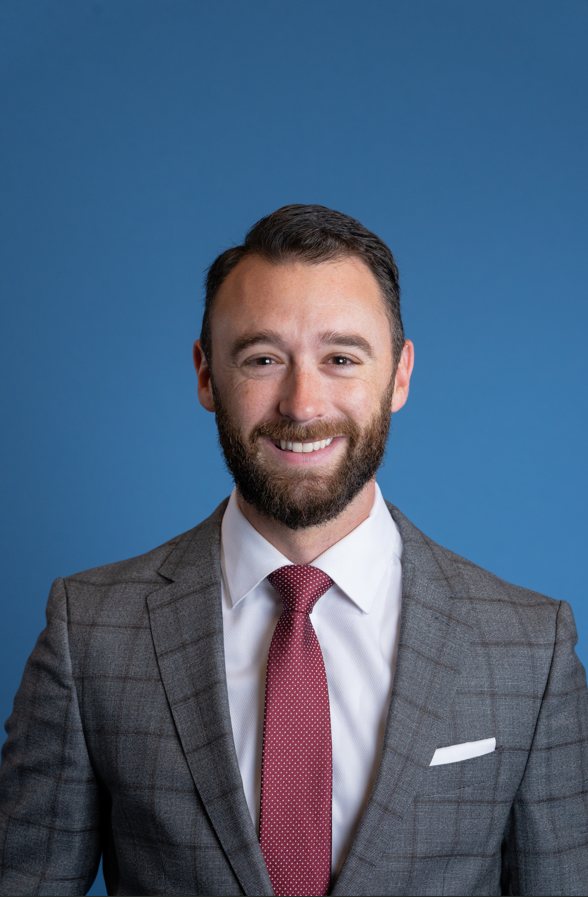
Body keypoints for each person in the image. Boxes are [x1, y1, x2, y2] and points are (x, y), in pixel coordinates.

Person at [0, 205, 587, 897]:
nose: (302, 403)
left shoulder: (529, 648)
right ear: (205, 375)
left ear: (399, 376)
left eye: (341, 358)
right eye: (263, 358)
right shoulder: (90, 633)